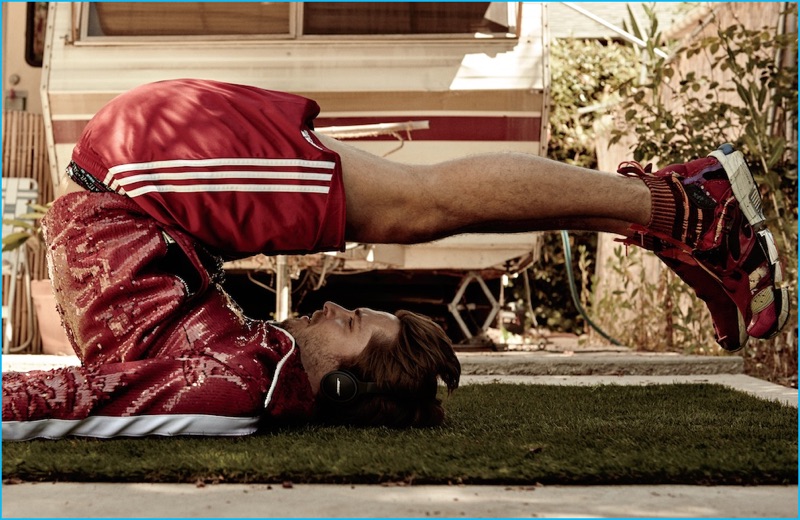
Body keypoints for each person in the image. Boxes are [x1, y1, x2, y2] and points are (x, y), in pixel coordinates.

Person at [2, 79, 788, 440]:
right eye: (357, 315)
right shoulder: (252, 369)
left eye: (351, 322)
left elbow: (73, 396)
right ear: (345, 388)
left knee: (420, 205)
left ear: (337, 385)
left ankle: (683, 212)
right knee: (421, 206)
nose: (337, 306)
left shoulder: (240, 381)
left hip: (139, 175)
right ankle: (683, 208)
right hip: (145, 175)